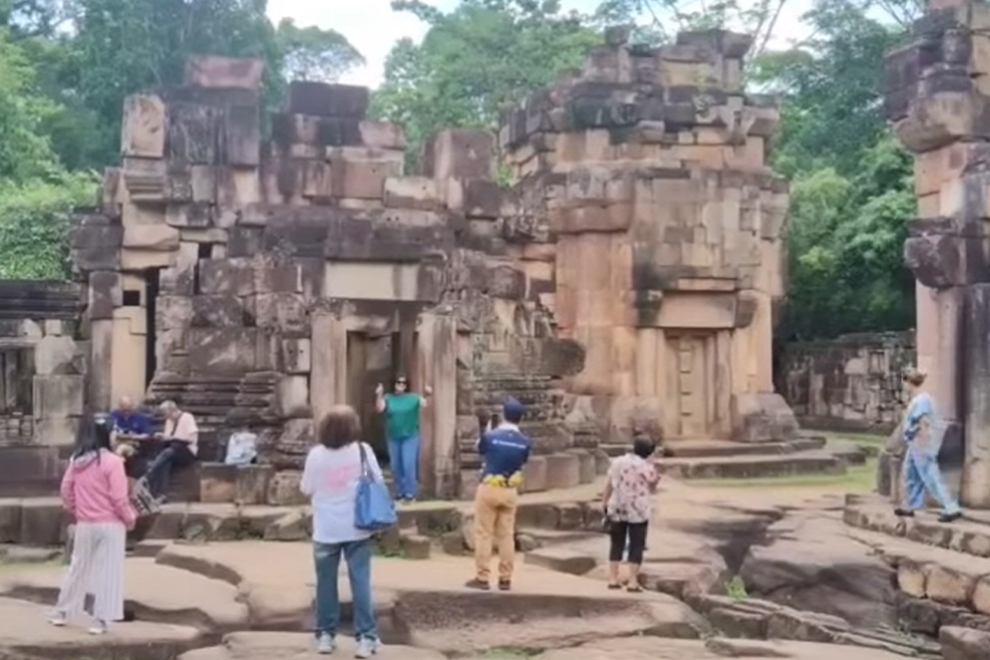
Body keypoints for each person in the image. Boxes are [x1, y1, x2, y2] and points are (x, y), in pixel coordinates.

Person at [301, 405, 384, 658]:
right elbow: (378, 481)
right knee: (361, 583)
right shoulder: (362, 450)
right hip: (358, 527)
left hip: (326, 529)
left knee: (325, 584)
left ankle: (326, 635)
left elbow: (306, 488)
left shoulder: (316, 455)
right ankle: (366, 638)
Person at [49, 413, 137, 634]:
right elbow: (119, 498)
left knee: (78, 567)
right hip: (111, 525)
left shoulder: (76, 461)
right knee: (108, 571)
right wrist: (129, 518)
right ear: (108, 434)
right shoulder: (113, 462)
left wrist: (77, 509)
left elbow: (66, 490)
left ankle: (62, 611)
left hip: (85, 523)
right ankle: (100, 620)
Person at [466, 398, 532, 592]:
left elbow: (479, 449)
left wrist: (486, 432)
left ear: (504, 414)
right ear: (520, 418)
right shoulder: (525, 442)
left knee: (484, 533)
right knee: (506, 536)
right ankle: (505, 578)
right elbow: (524, 460)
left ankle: (482, 576)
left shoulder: (492, 436)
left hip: (489, 487)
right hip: (510, 489)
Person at [895, 369, 962, 523]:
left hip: (920, 441)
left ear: (908, 382)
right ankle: (909, 506)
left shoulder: (922, 400)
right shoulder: (918, 399)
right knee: (911, 474)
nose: (903, 386)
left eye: (904, 383)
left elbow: (923, 422)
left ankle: (951, 507)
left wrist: (924, 443)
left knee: (931, 475)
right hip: (914, 442)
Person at [602, 435, 660, 592]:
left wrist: (605, 503)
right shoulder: (646, 466)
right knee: (636, 545)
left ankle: (613, 579)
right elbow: (653, 486)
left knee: (616, 543)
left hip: (617, 507)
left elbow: (609, 484)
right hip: (638, 510)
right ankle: (633, 581)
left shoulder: (618, 462)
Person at [375, 376, 431, 502]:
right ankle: (400, 492)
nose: (401, 385)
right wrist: (379, 394)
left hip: (410, 436)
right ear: (394, 384)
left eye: (403, 383)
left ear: (407, 385)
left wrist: (427, 394)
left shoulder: (413, 398)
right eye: (398, 382)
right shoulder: (388, 398)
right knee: (395, 466)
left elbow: (424, 402)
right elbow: (379, 408)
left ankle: (410, 493)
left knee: (408, 464)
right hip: (393, 436)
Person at [141, 400, 198, 500]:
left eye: (166, 413)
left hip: (187, 450)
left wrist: (173, 438)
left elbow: (192, 439)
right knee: (166, 462)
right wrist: (162, 437)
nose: (165, 416)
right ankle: (162, 495)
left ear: (172, 411)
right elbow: (168, 437)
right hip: (172, 450)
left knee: (168, 453)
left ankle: (149, 475)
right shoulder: (169, 421)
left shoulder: (187, 417)